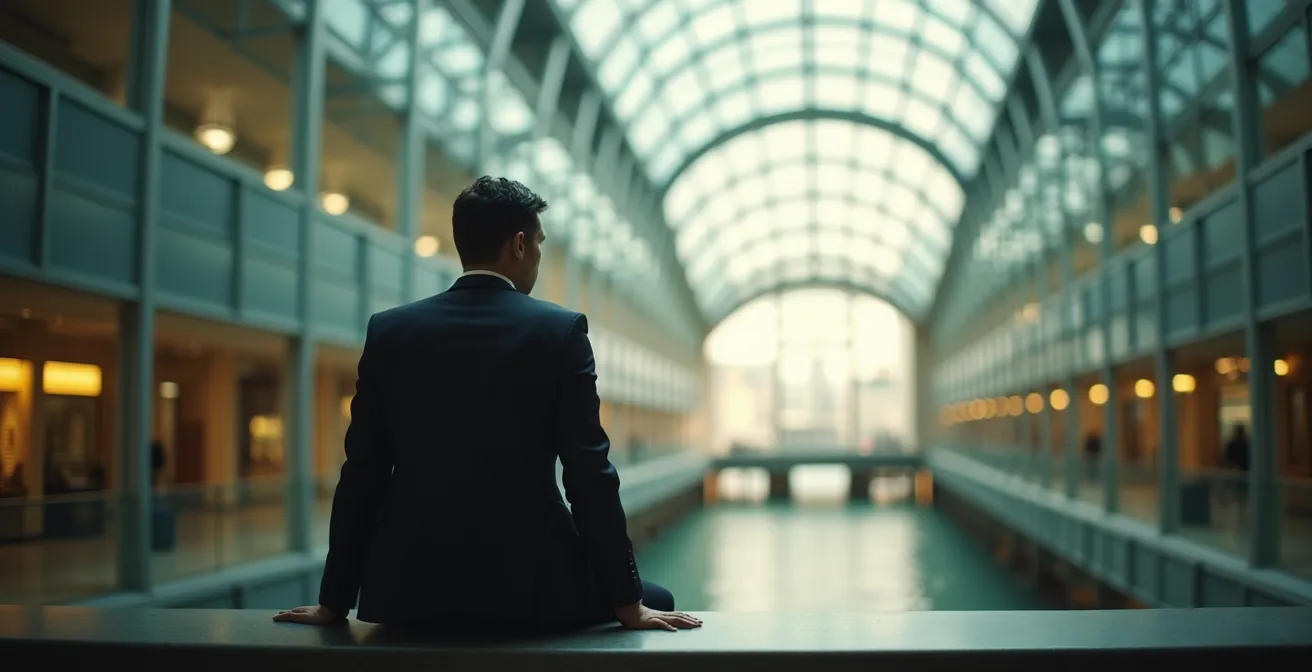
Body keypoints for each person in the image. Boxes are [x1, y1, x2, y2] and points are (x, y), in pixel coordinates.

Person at [274, 177, 700, 633]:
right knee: (661, 598)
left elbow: (362, 473)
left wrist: (333, 602)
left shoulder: (390, 331)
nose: (538, 253)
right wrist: (627, 602)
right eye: (538, 242)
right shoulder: (560, 332)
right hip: (531, 590)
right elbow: (589, 475)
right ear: (518, 245)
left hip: (409, 591)